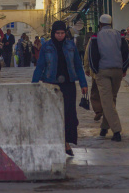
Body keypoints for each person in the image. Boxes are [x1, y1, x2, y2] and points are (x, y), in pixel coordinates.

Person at [32, 21, 88, 157]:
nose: (60, 36)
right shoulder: (46, 47)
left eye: (62, 33)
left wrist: (83, 83)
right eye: (58, 33)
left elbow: (78, 65)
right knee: (53, 113)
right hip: (51, 84)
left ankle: (66, 142)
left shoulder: (71, 46)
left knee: (69, 115)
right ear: (53, 33)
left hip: (68, 84)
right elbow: (40, 66)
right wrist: (33, 84)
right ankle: (56, 142)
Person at [87, 13, 129, 141]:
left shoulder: (96, 36)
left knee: (107, 101)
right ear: (111, 23)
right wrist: (124, 68)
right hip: (117, 71)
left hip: (103, 71)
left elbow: (92, 54)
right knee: (111, 99)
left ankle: (116, 131)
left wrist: (94, 70)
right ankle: (104, 128)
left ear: (100, 24)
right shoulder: (119, 35)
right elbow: (125, 52)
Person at [83, 36, 103, 122]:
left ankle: (98, 110)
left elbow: (87, 54)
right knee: (108, 93)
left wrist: (86, 68)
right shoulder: (114, 36)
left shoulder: (94, 39)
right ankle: (108, 111)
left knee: (95, 92)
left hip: (96, 70)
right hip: (110, 69)